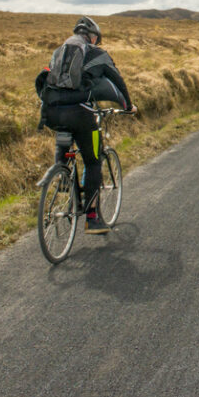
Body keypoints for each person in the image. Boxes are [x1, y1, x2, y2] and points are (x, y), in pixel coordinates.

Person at [41, 16, 137, 234]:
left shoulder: (59, 50)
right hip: (81, 113)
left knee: (65, 140)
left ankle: (63, 178)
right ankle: (92, 217)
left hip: (53, 111)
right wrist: (128, 106)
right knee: (93, 160)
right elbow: (117, 80)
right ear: (93, 36)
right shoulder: (97, 53)